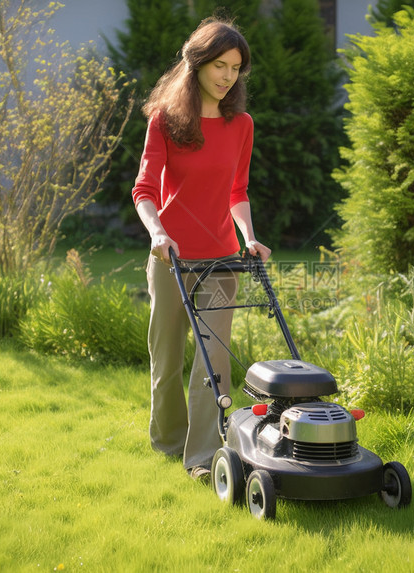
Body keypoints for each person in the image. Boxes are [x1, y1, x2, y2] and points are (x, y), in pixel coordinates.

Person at [131, 17, 271, 482]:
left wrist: (248, 236)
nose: (227, 76)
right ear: (197, 64)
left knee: (212, 364)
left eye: (235, 68)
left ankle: (202, 458)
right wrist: (156, 233)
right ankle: (168, 441)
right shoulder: (166, 122)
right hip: (171, 258)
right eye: (219, 64)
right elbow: (145, 189)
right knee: (167, 359)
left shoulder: (241, 125)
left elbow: (238, 190)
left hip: (220, 260)